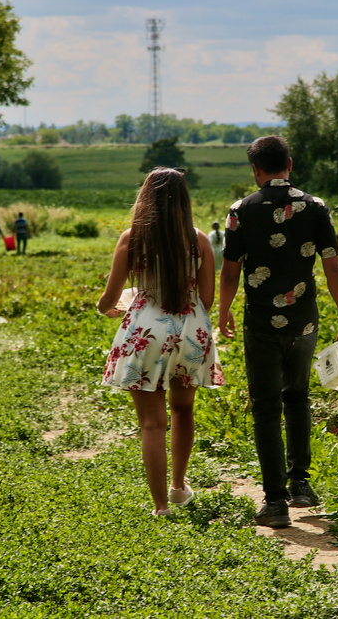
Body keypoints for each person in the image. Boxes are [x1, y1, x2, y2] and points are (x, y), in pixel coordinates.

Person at [218, 136, 338, 528]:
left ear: (256, 170)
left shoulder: (241, 210)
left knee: (266, 407)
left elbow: (230, 270)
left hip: (260, 323)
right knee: (297, 398)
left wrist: (224, 311)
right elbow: (333, 267)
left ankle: (275, 502)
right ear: (290, 164)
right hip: (304, 323)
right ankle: (301, 486)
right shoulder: (315, 208)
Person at [97, 167, 223, 517]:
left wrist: (108, 307)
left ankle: (160, 506)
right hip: (190, 330)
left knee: (152, 423)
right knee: (183, 410)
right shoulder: (199, 240)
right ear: (184, 199)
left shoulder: (131, 238)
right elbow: (207, 298)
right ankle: (179, 486)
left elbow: (109, 299)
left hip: (146, 330)